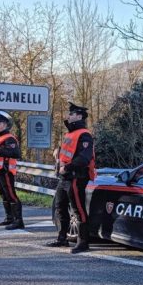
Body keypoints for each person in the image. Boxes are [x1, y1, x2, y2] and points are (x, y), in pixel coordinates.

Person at [46, 102, 96, 254]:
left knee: (78, 209)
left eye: (72, 114)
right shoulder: (70, 134)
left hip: (76, 177)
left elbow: (84, 158)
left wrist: (67, 167)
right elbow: (69, 153)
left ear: (79, 116)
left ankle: (83, 242)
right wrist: (58, 151)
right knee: (60, 207)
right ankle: (62, 238)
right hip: (65, 177)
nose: (69, 115)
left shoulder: (84, 134)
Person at [0, 111, 24, 229]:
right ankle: (9, 218)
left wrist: (0, 150)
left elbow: (16, 153)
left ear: (6, 125)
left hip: (6, 171)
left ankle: (19, 221)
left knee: (11, 195)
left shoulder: (9, 138)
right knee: (4, 195)